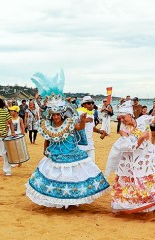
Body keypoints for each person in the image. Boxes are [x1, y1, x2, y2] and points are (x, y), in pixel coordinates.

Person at [26, 70, 110, 209]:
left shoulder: (69, 123)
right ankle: (59, 201)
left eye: (57, 115)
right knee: (56, 176)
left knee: (72, 175)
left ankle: (72, 200)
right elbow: (47, 139)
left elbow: (79, 127)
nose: (56, 117)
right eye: (53, 115)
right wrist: (44, 150)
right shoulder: (47, 125)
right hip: (54, 153)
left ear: (61, 114)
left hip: (71, 152)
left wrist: (83, 120)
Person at [77, 96, 107, 161]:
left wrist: (100, 131)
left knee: (92, 163)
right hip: (80, 144)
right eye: (88, 103)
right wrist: (83, 120)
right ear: (83, 105)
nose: (91, 105)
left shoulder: (91, 114)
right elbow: (72, 124)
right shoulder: (78, 113)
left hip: (90, 143)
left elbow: (92, 127)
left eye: (92, 103)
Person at [0, 98, 16, 176]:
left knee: (5, 153)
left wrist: (13, 132)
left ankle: (7, 170)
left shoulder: (4, 112)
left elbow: (10, 123)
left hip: (3, 136)